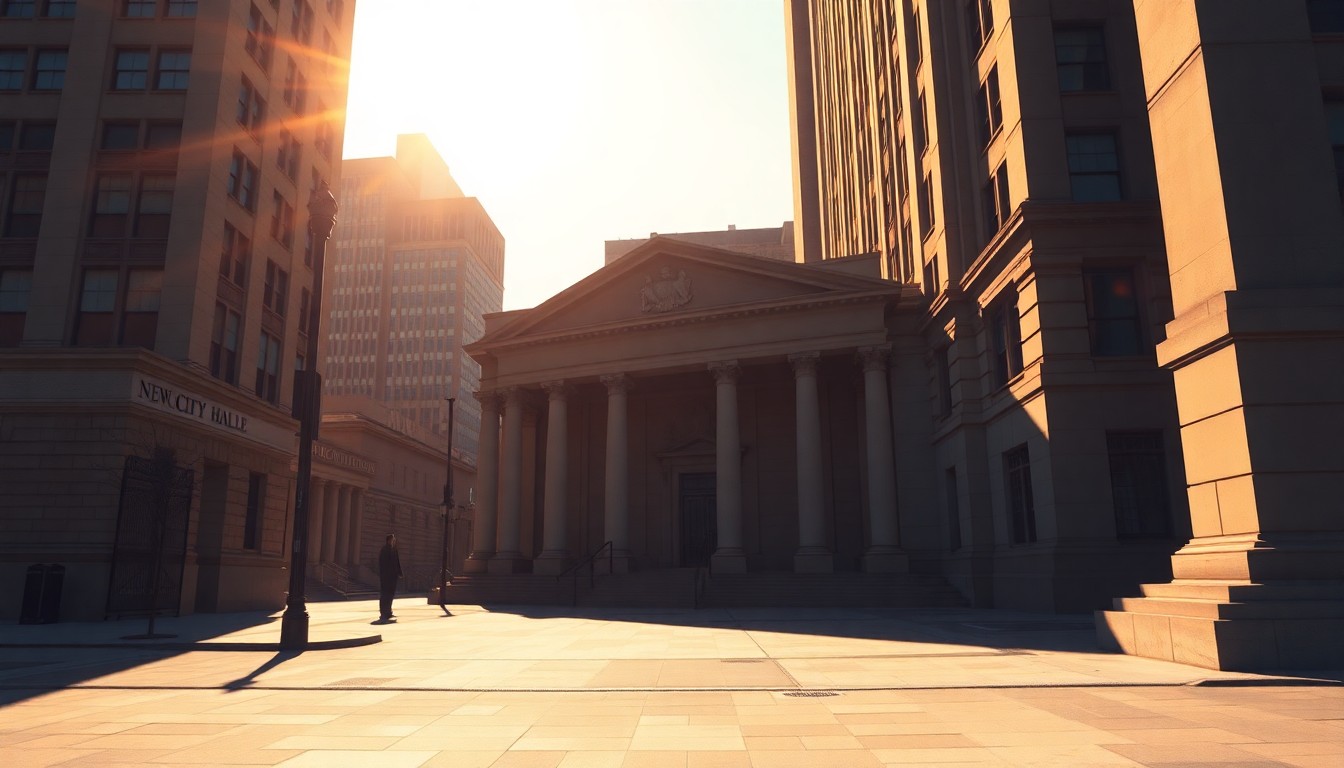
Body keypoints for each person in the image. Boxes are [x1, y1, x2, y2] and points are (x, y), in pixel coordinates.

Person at [377, 533, 402, 622]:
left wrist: (399, 573)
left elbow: (397, 562)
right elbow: (382, 564)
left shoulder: (394, 550)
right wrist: (383, 574)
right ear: (388, 540)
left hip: (393, 576)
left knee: (391, 594)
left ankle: (389, 611)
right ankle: (383, 611)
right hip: (386, 576)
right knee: (385, 594)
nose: (393, 541)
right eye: (392, 539)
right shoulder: (384, 550)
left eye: (394, 539)